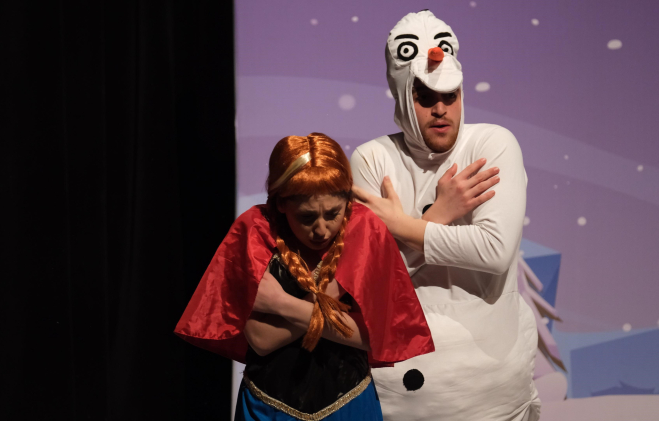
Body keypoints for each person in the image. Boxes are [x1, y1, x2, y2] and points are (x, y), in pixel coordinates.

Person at [350, 10, 541, 421]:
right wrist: (438, 215)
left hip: (492, 395)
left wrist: (403, 227)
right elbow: (368, 286)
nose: (440, 109)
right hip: (399, 398)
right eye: (424, 96)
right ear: (402, 95)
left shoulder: (492, 143)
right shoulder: (372, 159)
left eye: (450, 95)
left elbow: (494, 251)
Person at [175, 133, 434, 421]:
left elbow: (375, 337)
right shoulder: (254, 230)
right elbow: (261, 339)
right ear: (281, 203)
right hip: (268, 407)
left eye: (333, 214)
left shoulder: (364, 229)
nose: (321, 230)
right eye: (307, 217)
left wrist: (279, 303)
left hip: (349, 404)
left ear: (348, 200)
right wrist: (330, 302)